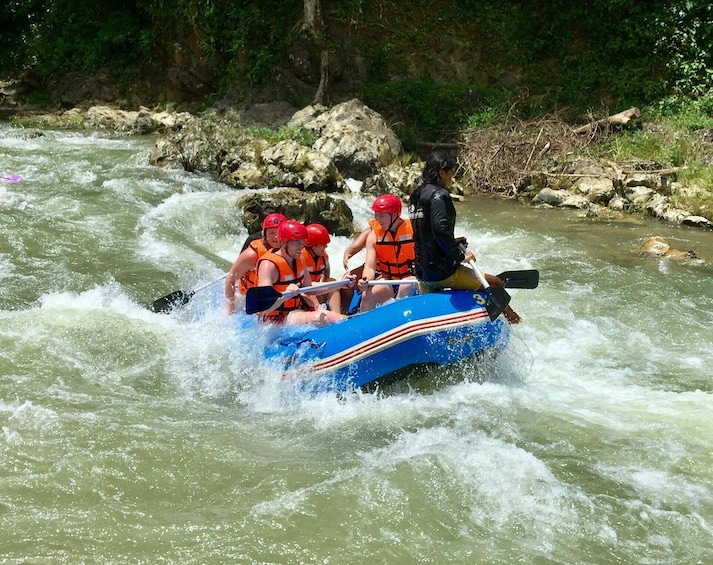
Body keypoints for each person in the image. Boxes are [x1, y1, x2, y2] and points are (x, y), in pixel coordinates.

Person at [408, 150, 522, 324]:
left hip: (422, 273)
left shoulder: (415, 196)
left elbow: (423, 233)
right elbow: (440, 230)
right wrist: (460, 256)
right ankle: (512, 322)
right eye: (451, 173)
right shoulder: (440, 195)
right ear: (442, 172)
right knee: (497, 283)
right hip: (443, 273)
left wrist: (452, 242)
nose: (451, 179)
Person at [256, 219, 353, 326]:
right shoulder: (268, 265)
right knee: (321, 318)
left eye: (302, 243)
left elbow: (310, 288)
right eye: (297, 243)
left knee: (339, 318)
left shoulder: (299, 258)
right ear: (284, 242)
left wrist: (341, 284)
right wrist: (285, 295)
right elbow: (263, 304)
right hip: (273, 320)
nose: (301, 247)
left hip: (294, 312)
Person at [356, 194, 418, 312]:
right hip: (389, 280)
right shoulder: (374, 236)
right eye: (376, 215)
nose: (378, 219)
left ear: (394, 215)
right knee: (367, 297)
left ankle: (400, 317)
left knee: (406, 286)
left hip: (412, 279)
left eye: (381, 215)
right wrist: (365, 280)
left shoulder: (415, 230)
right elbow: (369, 267)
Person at [225, 212, 286, 314]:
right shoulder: (251, 255)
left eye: (279, 233)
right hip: (248, 299)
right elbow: (230, 280)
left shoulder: (290, 250)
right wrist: (231, 307)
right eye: (271, 233)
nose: (276, 237)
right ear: (264, 234)